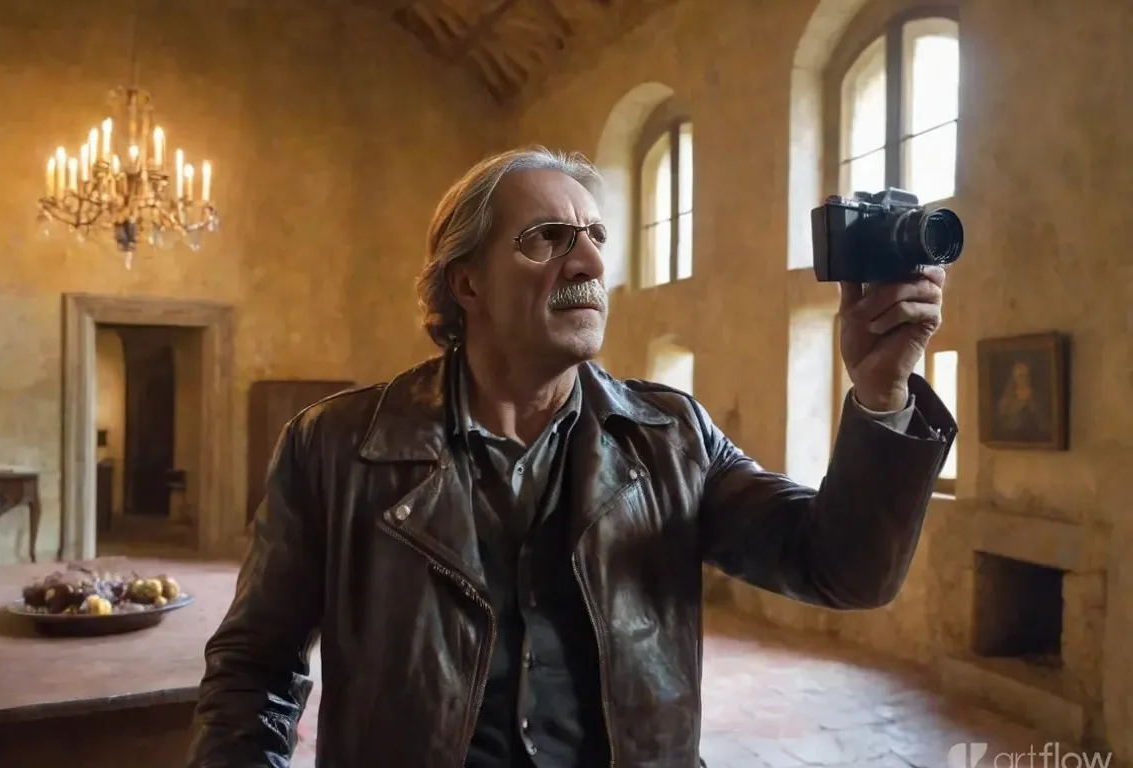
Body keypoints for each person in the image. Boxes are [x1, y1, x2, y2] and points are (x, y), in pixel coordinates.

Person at [186, 147, 957, 768]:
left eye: (594, 238)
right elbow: (256, 664)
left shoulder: (671, 437)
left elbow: (842, 570)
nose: (585, 263)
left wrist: (883, 390)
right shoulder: (336, 446)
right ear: (466, 283)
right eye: (546, 238)